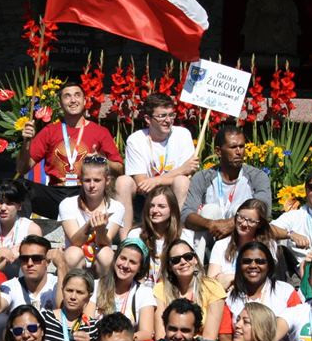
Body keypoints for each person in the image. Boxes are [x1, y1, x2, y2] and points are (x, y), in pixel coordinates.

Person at [17, 81, 123, 219]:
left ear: (84, 101)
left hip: (85, 191)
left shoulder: (100, 132)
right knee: (18, 187)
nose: (73, 100)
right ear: (60, 103)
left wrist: (102, 161)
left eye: (77, 95)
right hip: (57, 193)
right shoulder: (50, 131)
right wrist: (26, 142)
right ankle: (21, 231)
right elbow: (22, 169)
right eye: (67, 96)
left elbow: (120, 169)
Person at [116, 93, 198, 236]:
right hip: (145, 198)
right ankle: (126, 240)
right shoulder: (135, 140)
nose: (168, 120)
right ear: (148, 119)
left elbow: (188, 175)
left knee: (182, 181)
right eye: (162, 116)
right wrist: (180, 170)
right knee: (123, 182)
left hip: (173, 193)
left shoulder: (183, 134)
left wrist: (157, 180)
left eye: (171, 115)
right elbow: (142, 183)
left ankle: (177, 235)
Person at [182, 124, 272, 245]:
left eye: (241, 146)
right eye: (233, 147)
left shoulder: (257, 176)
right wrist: (211, 224)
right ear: (218, 151)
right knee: (210, 211)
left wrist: (233, 223)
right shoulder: (203, 178)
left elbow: (263, 208)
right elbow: (186, 214)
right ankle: (198, 262)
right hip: (211, 235)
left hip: (244, 240)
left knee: (242, 210)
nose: (239, 152)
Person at [58, 156, 123, 272]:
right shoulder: (67, 204)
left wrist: (100, 229)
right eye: (87, 180)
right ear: (81, 181)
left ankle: (104, 288)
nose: (92, 185)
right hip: (77, 259)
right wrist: (89, 225)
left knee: (107, 253)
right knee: (73, 253)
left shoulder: (116, 207)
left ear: (107, 181)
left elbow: (105, 243)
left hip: (100, 261)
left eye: (97, 180)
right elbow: (75, 241)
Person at [221, 241, 303, 330]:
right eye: (247, 261)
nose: (253, 265)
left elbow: (298, 327)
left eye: (260, 261)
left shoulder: (286, 291)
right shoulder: (230, 297)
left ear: (269, 266)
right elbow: (225, 336)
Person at [154, 239, 225, 341]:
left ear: (195, 259)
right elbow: (160, 336)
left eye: (188, 257)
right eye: (176, 260)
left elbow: (209, 338)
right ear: (169, 266)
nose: (183, 262)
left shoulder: (213, 288)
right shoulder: (161, 289)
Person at [126, 185, 195, 281]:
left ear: (172, 210)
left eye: (161, 206)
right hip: (141, 287)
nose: (155, 210)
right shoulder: (136, 234)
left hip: (172, 287)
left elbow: (188, 269)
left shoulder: (185, 235)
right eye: (151, 206)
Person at [95, 239, 157, 341]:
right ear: (116, 258)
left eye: (132, 262)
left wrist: (120, 340)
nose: (125, 265)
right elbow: (88, 323)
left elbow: (147, 332)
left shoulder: (144, 293)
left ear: (140, 268)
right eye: (123, 258)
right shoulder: (98, 285)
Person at [42, 269, 101, 341]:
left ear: (89, 296)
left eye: (79, 292)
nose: (73, 297)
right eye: (69, 290)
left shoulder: (94, 327)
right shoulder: (45, 319)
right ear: (62, 290)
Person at [0, 180, 42, 279]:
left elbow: (37, 268)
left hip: (23, 284)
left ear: (19, 206)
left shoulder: (31, 229)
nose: (3, 208)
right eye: (0, 202)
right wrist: (5, 258)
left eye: (9, 203)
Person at [207, 198, 276, 289]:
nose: (243, 224)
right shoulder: (221, 245)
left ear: (259, 224)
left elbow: (264, 279)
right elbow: (211, 283)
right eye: (241, 217)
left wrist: (230, 278)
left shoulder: (269, 245)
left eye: (251, 221)